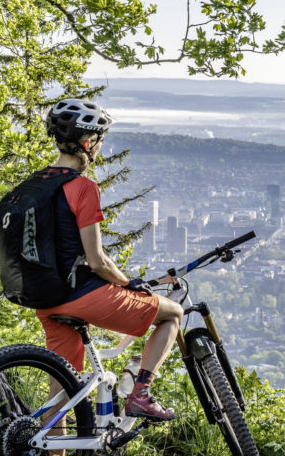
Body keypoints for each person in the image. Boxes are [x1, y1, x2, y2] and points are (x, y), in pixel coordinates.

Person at [36, 98, 183, 425]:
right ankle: (140, 395)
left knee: (60, 388)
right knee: (173, 313)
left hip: (45, 300)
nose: (100, 148)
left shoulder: (36, 184)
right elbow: (98, 261)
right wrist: (128, 283)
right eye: (99, 141)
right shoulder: (82, 187)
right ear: (88, 143)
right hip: (82, 297)